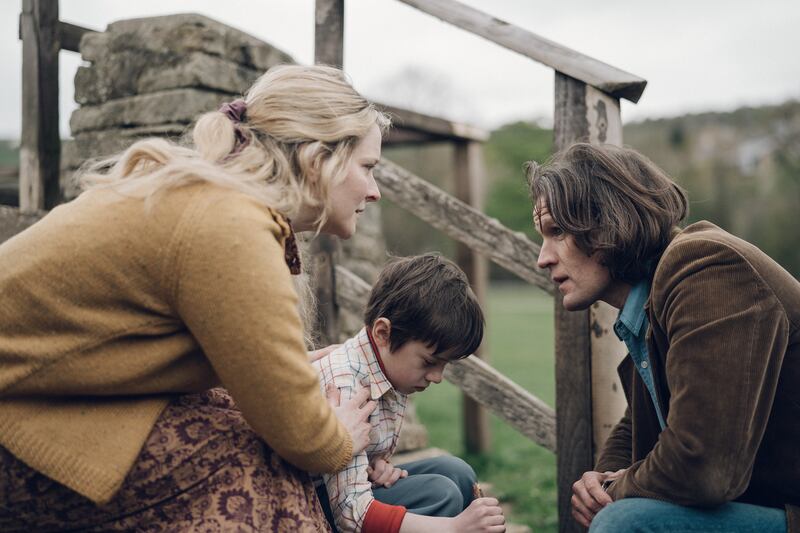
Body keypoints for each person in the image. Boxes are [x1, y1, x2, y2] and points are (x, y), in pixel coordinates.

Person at [0, 64, 391, 531]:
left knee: (242, 432)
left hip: (46, 400)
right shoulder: (228, 224)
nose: (375, 190)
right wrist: (341, 439)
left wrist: (287, 374)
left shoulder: (218, 203)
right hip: (17, 421)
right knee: (249, 460)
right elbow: (301, 434)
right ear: (315, 158)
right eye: (367, 167)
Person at [527, 143, 799, 533]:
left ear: (607, 222)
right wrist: (599, 480)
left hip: (787, 509)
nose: (543, 257)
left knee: (627, 522)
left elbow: (704, 465)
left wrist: (616, 490)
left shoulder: (706, 267)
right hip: (767, 506)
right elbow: (640, 421)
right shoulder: (653, 300)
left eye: (556, 232)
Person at [312, 254, 507, 533]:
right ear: (383, 333)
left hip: (343, 492)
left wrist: (375, 466)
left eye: (444, 365)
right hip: (313, 506)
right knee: (440, 494)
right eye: (429, 362)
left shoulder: (384, 366)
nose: (437, 377)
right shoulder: (346, 387)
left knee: (456, 472)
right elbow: (349, 513)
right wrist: (452, 527)